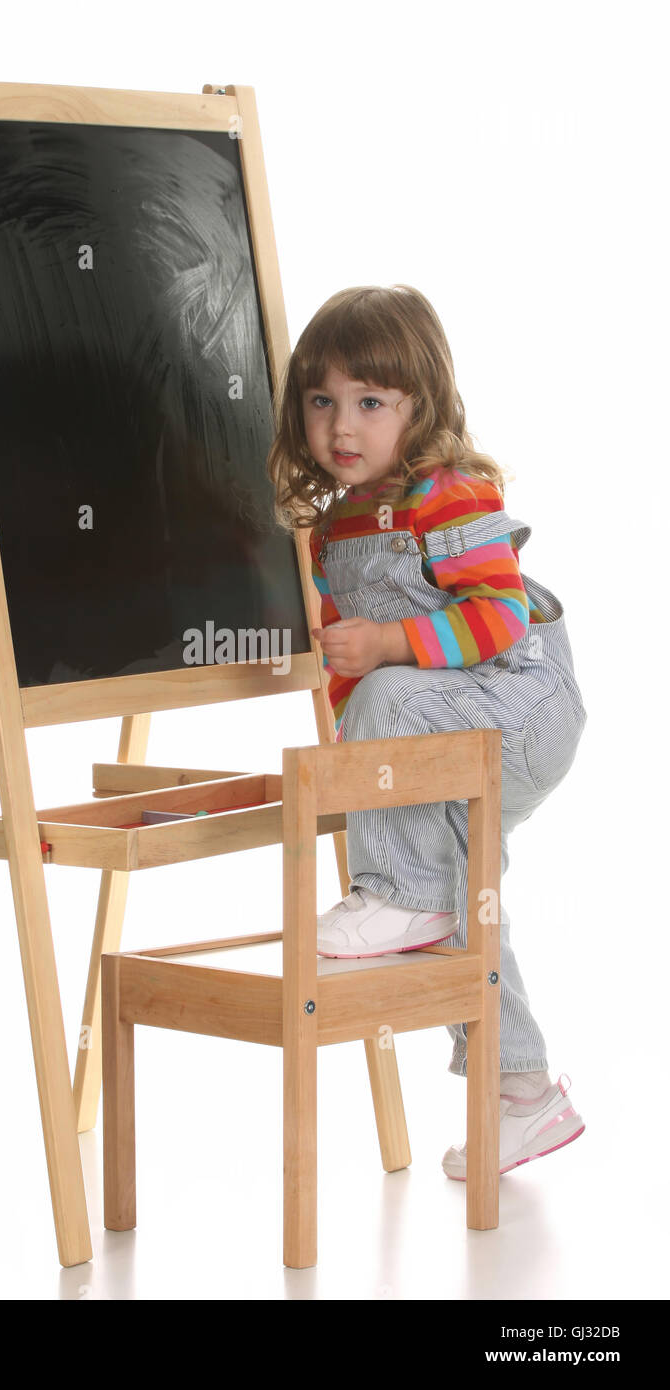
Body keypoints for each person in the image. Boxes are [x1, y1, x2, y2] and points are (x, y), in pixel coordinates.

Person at [266, 284, 588, 1179]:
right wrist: (357, 768)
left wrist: (388, 645)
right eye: (322, 400)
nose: (343, 425)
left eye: (372, 403)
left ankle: (401, 893)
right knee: (464, 899)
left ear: (423, 406)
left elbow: (498, 622)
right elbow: (347, 677)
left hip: (518, 707)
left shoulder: (450, 494)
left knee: (387, 706)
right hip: (437, 727)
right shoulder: (336, 528)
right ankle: (524, 1094)